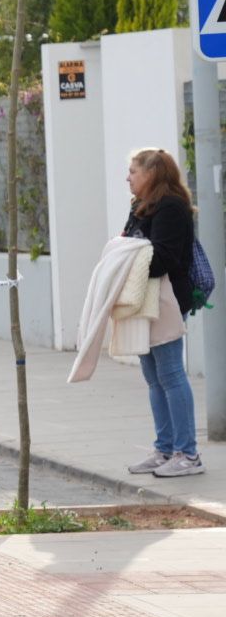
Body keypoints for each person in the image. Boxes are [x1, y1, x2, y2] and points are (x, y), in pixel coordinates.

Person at [122, 148, 205, 477]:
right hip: (145, 298)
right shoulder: (140, 205)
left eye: (133, 171)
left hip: (166, 297)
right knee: (154, 377)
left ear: (151, 174)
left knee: (170, 375)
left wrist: (126, 259)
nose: (127, 177)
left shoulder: (170, 206)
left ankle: (189, 455)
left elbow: (163, 258)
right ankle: (164, 449)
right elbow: (131, 243)